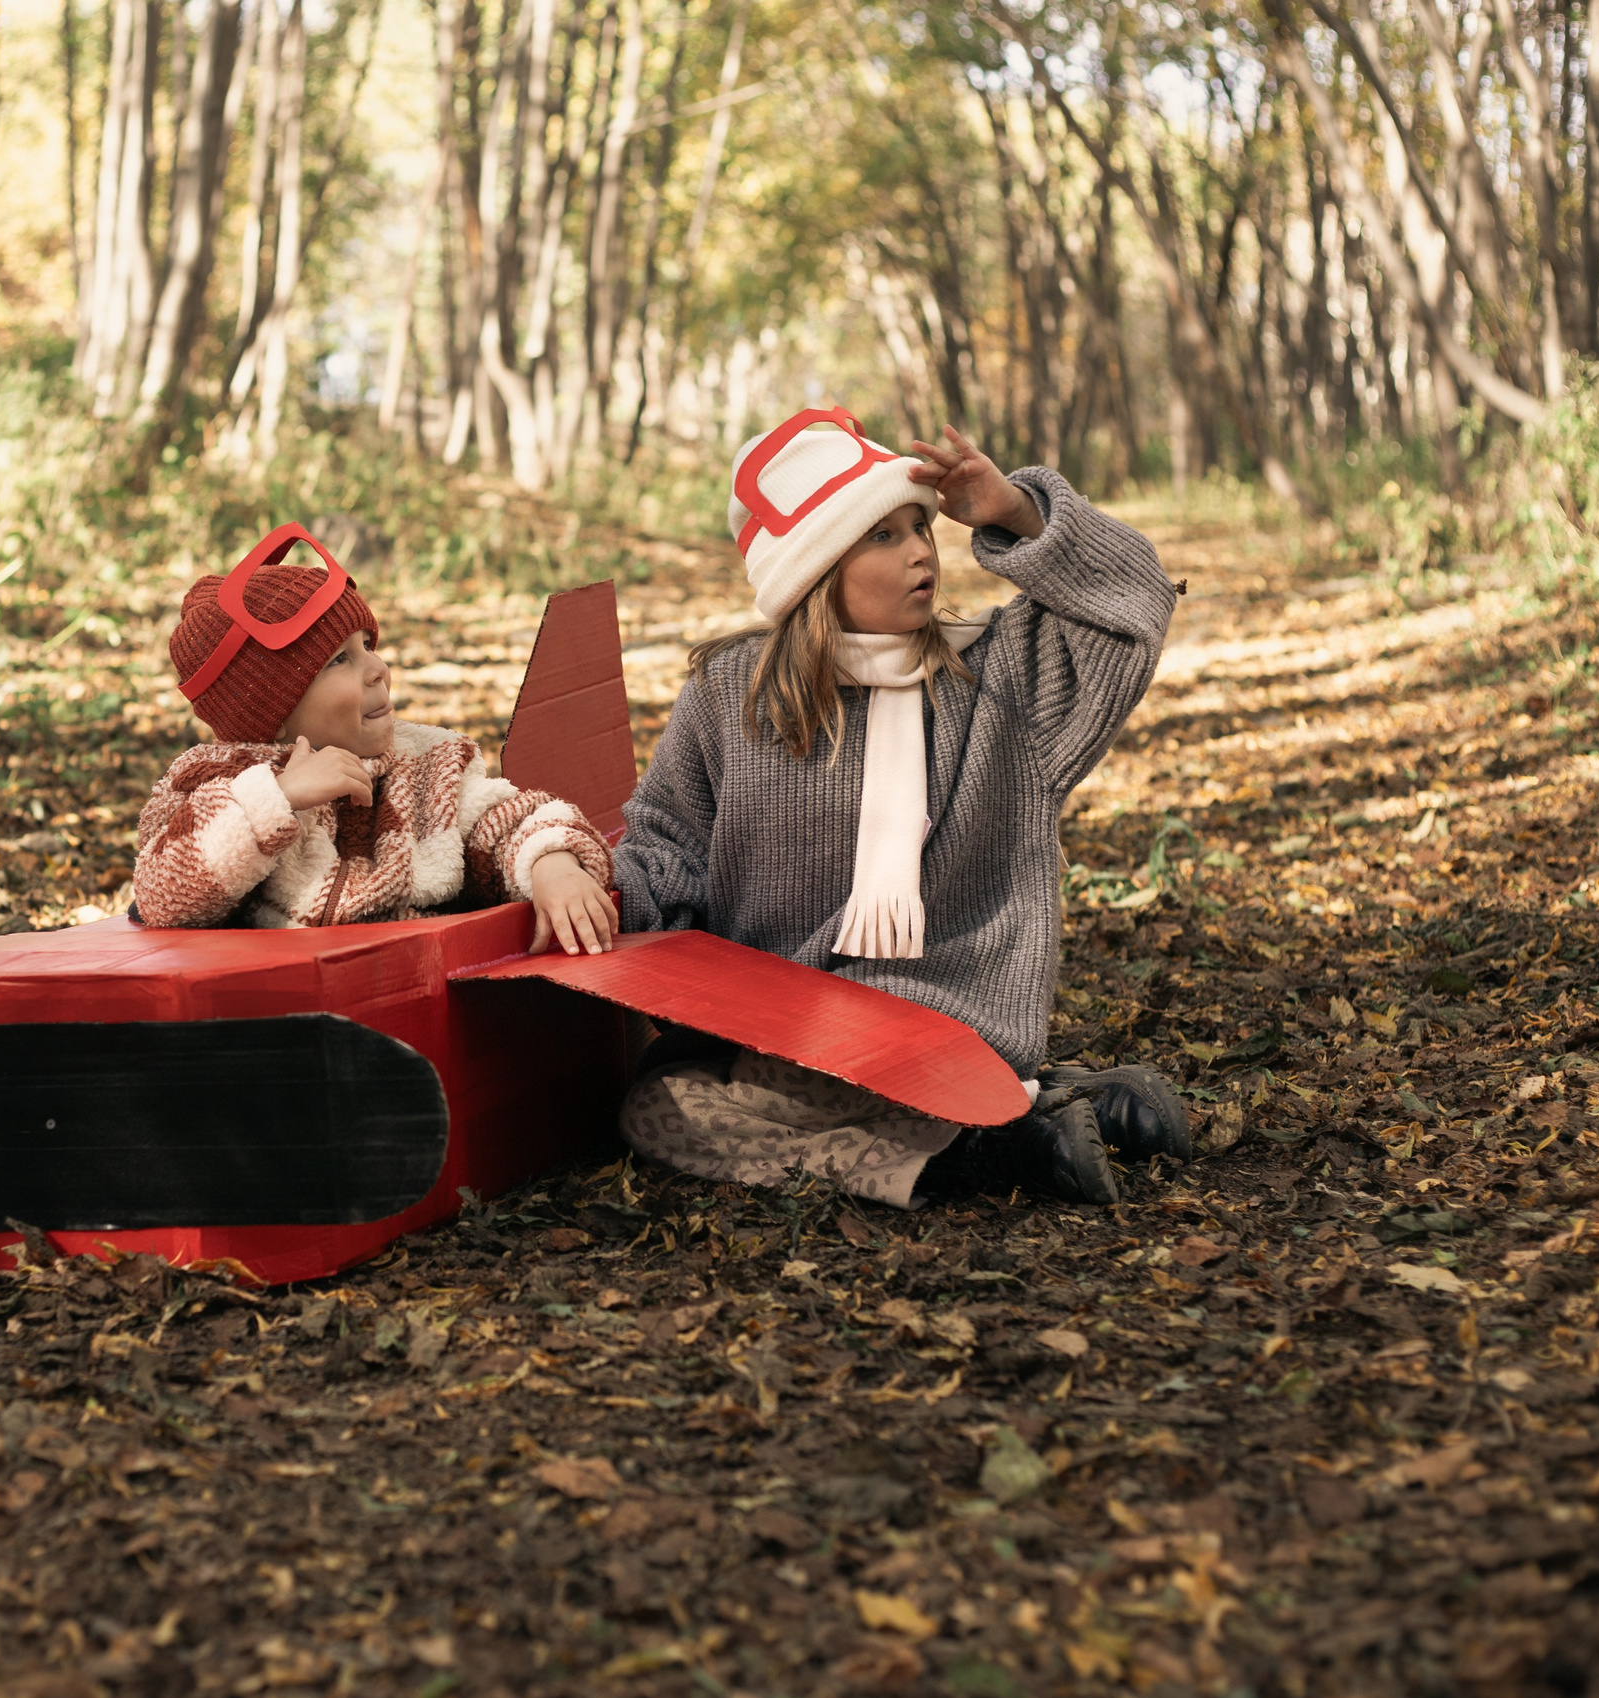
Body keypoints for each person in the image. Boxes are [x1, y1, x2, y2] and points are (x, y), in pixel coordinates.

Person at [613, 409, 1190, 1208]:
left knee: (667, 1109)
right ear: (816, 569)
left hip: (951, 1038)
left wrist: (1018, 515)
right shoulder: (731, 696)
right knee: (661, 1101)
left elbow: (1135, 601)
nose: (922, 548)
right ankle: (1043, 1105)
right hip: (797, 1042)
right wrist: (571, 876)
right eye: (882, 535)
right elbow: (665, 855)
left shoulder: (999, 683)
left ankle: (985, 1143)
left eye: (920, 524)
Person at [134, 531, 621, 953]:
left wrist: (552, 863)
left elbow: (504, 817)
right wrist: (279, 798)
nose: (378, 669)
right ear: (274, 715)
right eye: (339, 661)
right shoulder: (222, 787)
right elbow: (164, 895)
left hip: (420, 982)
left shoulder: (424, 765)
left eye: (368, 645)